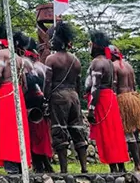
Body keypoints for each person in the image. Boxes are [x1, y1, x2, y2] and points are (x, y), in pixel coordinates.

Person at [44, 21, 89, 173]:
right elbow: (78, 84)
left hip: (58, 96)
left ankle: (64, 170)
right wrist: (78, 99)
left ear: (58, 40)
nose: (51, 42)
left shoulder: (51, 59)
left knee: (59, 130)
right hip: (74, 96)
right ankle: (84, 167)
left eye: (52, 39)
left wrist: (45, 99)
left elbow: (48, 82)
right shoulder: (75, 60)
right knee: (77, 130)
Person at [85, 33, 128, 173]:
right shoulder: (108, 62)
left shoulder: (97, 62)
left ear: (95, 46)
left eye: (90, 44)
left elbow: (95, 86)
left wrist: (91, 108)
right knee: (115, 133)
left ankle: (114, 168)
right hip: (110, 98)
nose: (89, 47)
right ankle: (120, 166)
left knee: (107, 134)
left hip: (102, 100)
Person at [0, 26, 32, 174]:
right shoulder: (19, 58)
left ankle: (10, 163)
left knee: (7, 127)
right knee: (19, 127)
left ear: (1, 43)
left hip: (6, 91)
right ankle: (21, 161)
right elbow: (25, 83)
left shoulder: (2, 54)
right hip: (18, 93)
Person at [110, 45, 140, 173]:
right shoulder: (129, 66)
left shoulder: (114, 66)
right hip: (135, 99)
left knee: (129, 132)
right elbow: (135, 85)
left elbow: (114, 86)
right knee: (137, 133)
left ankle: (137, 165)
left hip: (123, 100)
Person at [22, 36, 54, 173]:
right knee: (41, 135)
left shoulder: (26, 64)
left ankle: (40, 164)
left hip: (32, 103)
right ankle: (42, 164)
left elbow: (28, 85)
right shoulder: (42, 66)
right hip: (41, 102)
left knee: (34, 136)